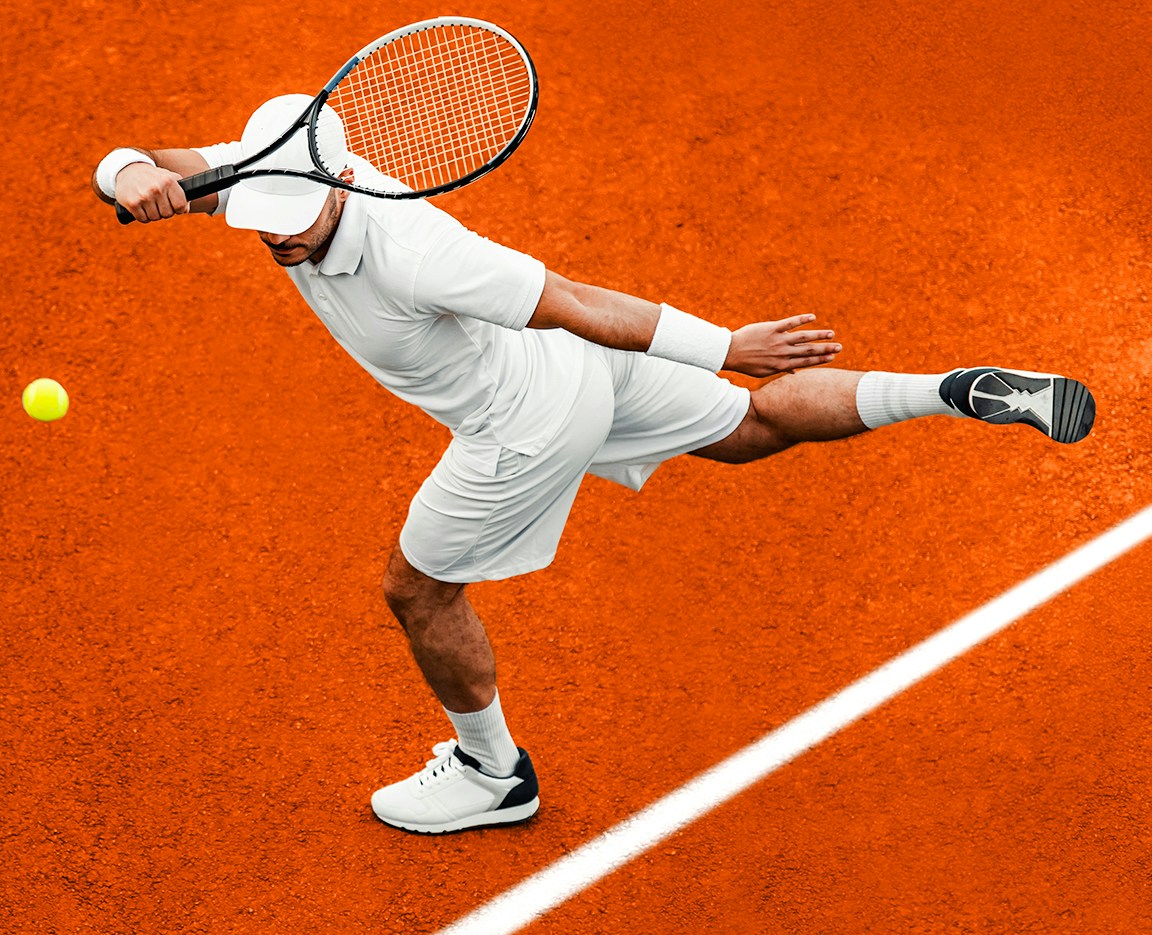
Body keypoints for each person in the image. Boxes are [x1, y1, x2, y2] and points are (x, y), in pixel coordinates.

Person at [93, 94, 1097, 835]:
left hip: (523, 418)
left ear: (344, 181)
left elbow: (572, 298)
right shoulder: (276, 164)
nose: (275, 240)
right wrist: (127, 171)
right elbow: (153, 156)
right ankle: (951, 388)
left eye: (292, 224)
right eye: (257, 221)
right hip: (577, 376)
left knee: (418, 592)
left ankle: (493, 777)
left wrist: (720, 342)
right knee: (749, 431)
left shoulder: (417, 251)